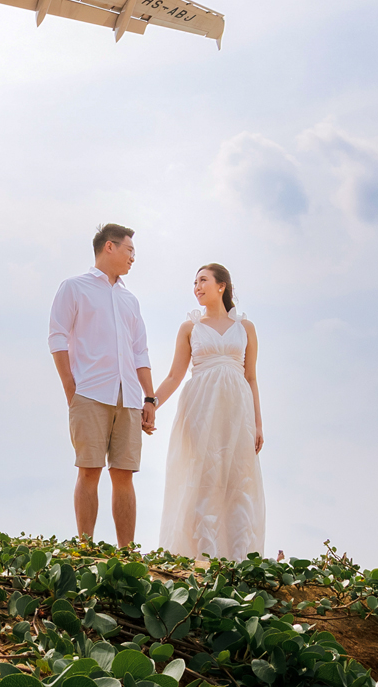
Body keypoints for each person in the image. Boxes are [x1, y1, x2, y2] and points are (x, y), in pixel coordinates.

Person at [47, 222, 157, 545]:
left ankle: (126, 554)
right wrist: (71, 389)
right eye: (129, 250)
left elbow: (141, 352)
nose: (133, 258)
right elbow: (57, 337)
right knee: (89, 471)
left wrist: (149, 399)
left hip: (129, 399)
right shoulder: (74, 287)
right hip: (89, 393)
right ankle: (85, 547)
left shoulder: (130, 301)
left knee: (125, 476)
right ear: (109, 247)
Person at [152, 262, 265, 560]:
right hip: (200, 407)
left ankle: (239, 560)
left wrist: (258, 424)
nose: (197, 287)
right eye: (194, 283)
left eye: (203, 280)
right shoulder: (190, 327)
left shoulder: (246, 328)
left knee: (238, 481)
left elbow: (251, 377)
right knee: (204, 478)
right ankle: (203, 557)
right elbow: (175, 376)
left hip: (237, 410)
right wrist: (151, 403)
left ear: (221, 286)